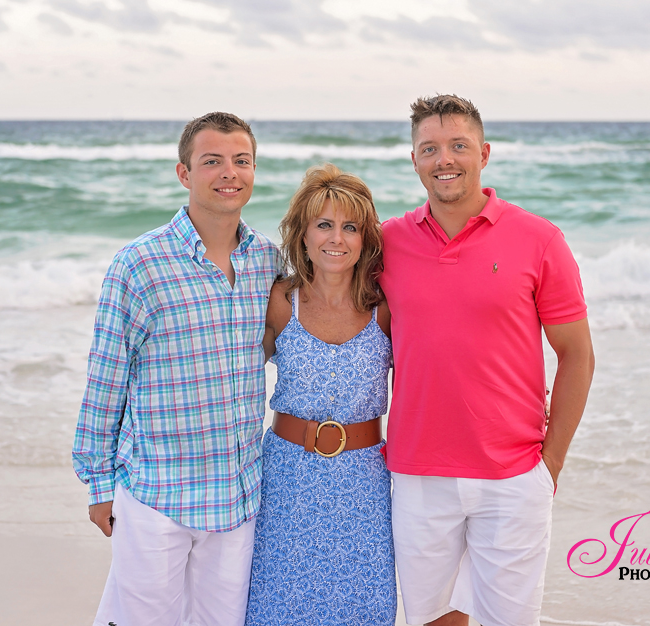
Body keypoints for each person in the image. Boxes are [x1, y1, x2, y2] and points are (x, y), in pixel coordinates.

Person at [380, 95, 595, 626]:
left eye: (458, 145)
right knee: (431, 620)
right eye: (429, 148)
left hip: (514, 474)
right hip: (417, 473)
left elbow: (577, 356)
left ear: (484, 153)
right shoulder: (387, 243)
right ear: (413, 160)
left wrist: (551, 465)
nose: (444, 159)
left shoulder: (540, 239)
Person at [72, 111, 282, 626]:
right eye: (212, 161)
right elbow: (106, 382)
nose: (229, 172)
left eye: (241, 161)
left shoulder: (268, 262)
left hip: (238, 500)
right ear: (185, 174)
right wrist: (99, 485)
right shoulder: (138, 264)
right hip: (157, 496)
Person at [244, 163, 396, 625]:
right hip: (287, 481)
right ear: (303, 236)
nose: (337, 238)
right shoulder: (279, 299)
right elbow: (229, 370)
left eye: (350, 227)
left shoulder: (384, 308)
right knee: (277, 607)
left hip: (364, 485)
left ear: (365, 239)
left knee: (364, 608)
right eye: (324, 225)